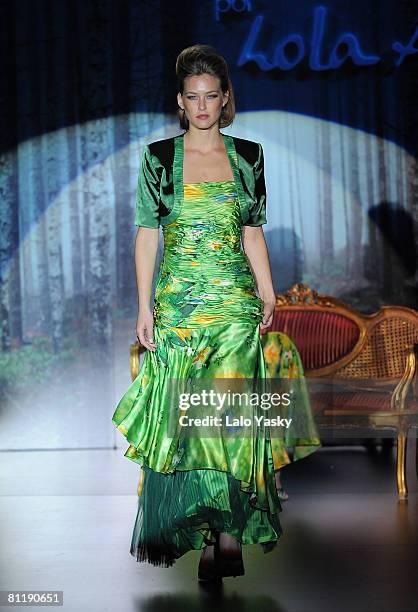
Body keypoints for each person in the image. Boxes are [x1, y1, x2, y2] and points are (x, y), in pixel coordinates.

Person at [112, 44, 320, 581]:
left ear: (225, 99)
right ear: (180, 103)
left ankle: (227, 534)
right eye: (192, 98)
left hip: (233, 307)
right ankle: (207, 533)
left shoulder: (248, 156)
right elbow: (145, 236)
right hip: (178, 309)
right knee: (190, 427)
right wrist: (143, 307)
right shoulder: (159, 158)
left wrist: (268, 292)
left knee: (229, 422)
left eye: (211, 96)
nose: (202, 106)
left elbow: (252, 232)